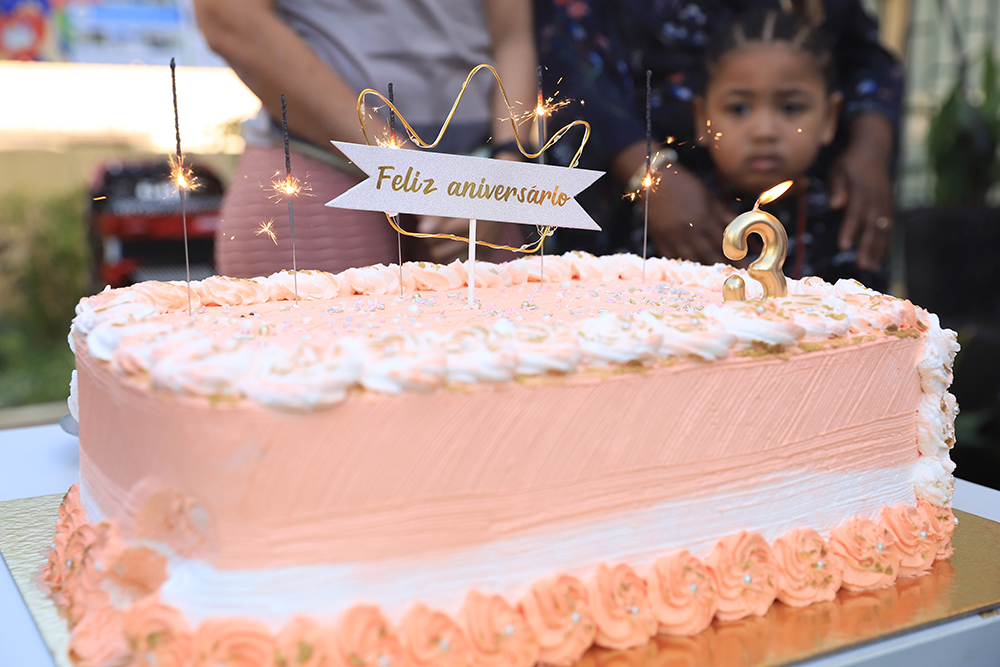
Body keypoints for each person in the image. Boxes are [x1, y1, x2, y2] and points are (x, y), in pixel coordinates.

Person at [536, 0, 901, 287]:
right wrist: (648, 171)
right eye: (740, 108)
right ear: (701, 116)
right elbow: (573, 71)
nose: (764, 130)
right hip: (662, 199)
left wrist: (872, 147)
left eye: (790, 107)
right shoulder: (646, 242)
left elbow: (863, 52)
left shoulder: (840, 226)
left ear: (829, 118)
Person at [193, 0, 537, 278]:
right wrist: (409, 171)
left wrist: (505, 168)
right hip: (322, 164)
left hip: (478, 179)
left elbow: (513, 34)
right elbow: (229, 18)